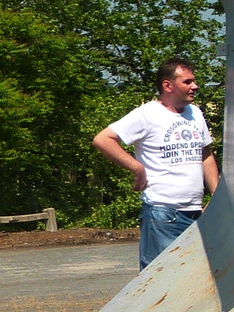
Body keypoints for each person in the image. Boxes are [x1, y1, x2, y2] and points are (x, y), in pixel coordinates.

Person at [93, 56, 218, 270]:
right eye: (187, 82)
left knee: (191, 279)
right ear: (167, 85)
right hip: (163, 215)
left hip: (196, 213)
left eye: (194, 81)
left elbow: (205, 155)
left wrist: (217, 196)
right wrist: (137, 167)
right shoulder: (148, 114)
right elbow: (103, 139)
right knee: (161, 278)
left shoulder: (195, 113)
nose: (195, 87)